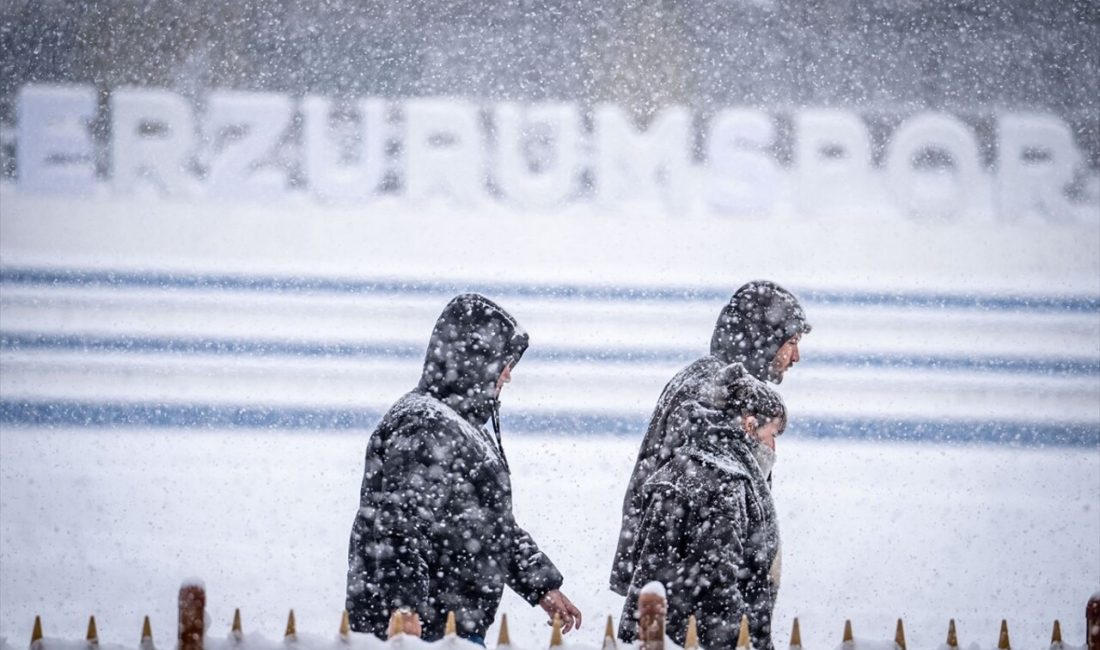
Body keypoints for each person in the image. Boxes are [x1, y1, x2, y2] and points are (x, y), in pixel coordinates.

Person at [345, 293, 582, 643]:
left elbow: (492, 526)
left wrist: (542, 585)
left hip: (452, 629)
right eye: (504, 364)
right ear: (476, 359)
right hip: (424, 633)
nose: (507, 377)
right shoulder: (423, 425)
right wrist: (403, 608)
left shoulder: (460, 429)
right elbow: (400, 523)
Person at [610, 280, 810, 597]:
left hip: (676, 580)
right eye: (792, 342)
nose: (796, 356)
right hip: (694, 588)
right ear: (765, 339)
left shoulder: (710, 381)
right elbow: (706, 494)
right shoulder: (718, 390)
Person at [617, 363, 787, 650]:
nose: (773, 447)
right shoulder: (725, 483)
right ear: (749, 425)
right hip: (689, 639)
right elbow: (716, 583)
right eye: (773, 434)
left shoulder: (681, 466)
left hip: (655, 635)